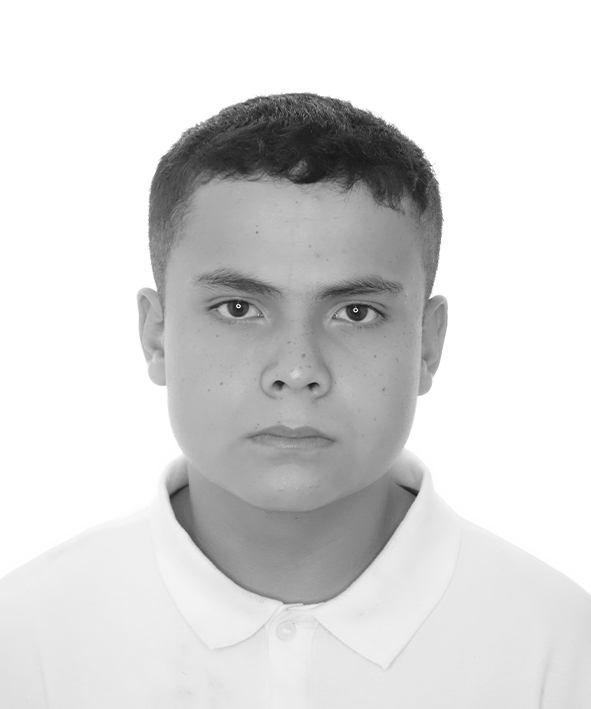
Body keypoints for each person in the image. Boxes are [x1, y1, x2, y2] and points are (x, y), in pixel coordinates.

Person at [1, 93, 589, 708]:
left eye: (355, 312)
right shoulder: (24, 643)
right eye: (238, 308)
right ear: (156, 335)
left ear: (428, 344)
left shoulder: (560, 652)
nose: (298, 370)